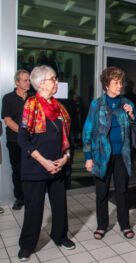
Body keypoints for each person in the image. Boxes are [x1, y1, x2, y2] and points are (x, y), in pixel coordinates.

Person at [17, 65, 75, 261]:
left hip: (58, 165)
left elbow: (68, 139)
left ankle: (60, 236)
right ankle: (27, 245)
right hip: (36, 166)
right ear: (41, 83)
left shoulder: (60, 107)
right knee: (34, 208)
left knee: (60, 206)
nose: (57, 82)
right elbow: (23, 139)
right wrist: (44, 162)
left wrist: (64, 158)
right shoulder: (31, 105)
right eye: (53, 79)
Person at [83, 66, 136, 240]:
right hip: (101, 155)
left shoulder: (127, 103)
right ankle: (102, 225)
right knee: (101, 192)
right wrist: (88, 158)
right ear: (107, 84)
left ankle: (125, 224)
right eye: (115, 82)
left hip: (122, 155)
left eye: (121, 82)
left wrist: (132, 116)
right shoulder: (97, 104)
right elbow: (88, 130)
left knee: (122, 191)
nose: (119, 85)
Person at [1, 69, 33, 210]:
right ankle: (19, 198)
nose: (28, 83)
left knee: (31, 168)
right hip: (15, 140)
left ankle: (31, 196)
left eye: (29, 80)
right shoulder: (8, 98)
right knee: (17, 169)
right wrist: (23, 133)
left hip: (32, 140)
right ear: (17, 82)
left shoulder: (33, 97)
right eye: (25, 80)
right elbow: (7, 120)